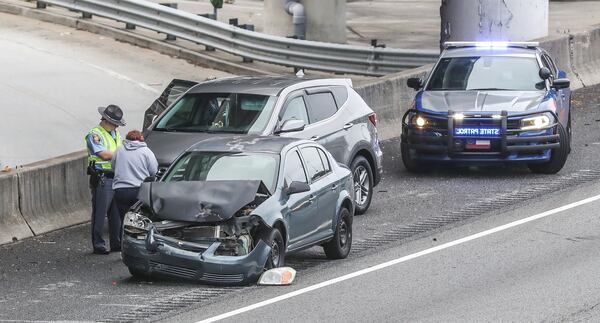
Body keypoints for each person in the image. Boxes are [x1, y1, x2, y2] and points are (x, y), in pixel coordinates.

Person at [85, 105, 125, 255]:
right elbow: (103, 154)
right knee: (100, 213)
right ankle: (98, 244)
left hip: (117, 176)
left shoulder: (116, 133)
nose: (116, 126)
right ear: (106, 120)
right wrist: (122, 155)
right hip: (102, 178)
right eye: (115, 123)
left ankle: (117, 243)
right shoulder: (95, 135)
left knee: (116, 214)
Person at [112, 130, 158, 228]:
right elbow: (154, 171)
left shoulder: (119, 150)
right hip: (139, 190)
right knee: (139, 222)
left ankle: (122, 242)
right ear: (141, 139)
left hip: (121, 190)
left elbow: (113, 167)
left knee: (124, 221)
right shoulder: (146, 151)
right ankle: (136, 241)